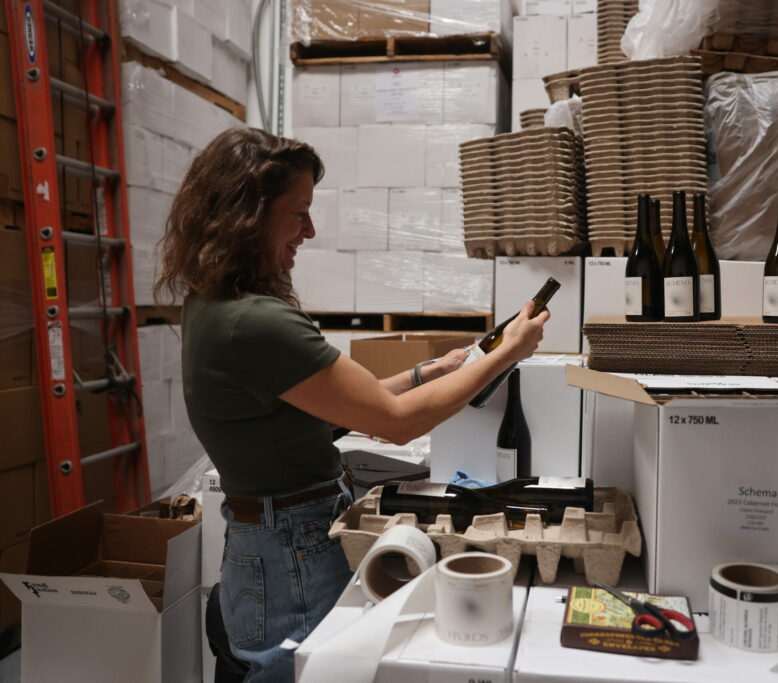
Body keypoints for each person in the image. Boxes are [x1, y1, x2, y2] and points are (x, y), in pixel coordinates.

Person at [156, 127, 549, 681]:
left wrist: (426, 372)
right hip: (291, 545)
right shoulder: (257, 323)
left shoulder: (216, 305)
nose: (309, 231)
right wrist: (507, 353)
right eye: (299, 213)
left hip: (270, 539)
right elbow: (395, 424)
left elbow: (331, 405)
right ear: (250, 215)